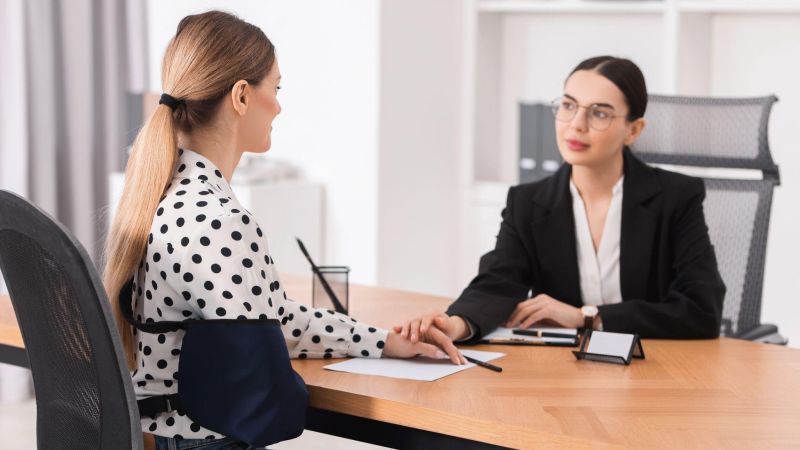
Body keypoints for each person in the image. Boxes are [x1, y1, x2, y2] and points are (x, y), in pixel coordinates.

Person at [103, 11, 462, 450]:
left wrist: (384, 341)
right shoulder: (219, 219)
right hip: (211, 440)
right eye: (275, 88)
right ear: (240, 96)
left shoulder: (164, 193)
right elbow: (268, 385)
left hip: (170, 435)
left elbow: (274, 319)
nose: (279, 105)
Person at [396, 56, 725, 346]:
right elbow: (498, 282)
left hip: (661, 373)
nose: (576, 125)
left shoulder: (676, 197)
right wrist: (454, 324)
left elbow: (701, 309)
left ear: (633, 130)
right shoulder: (528, 202)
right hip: (565, 375)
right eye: (568, 106)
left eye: (599, 113)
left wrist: (587, 317)